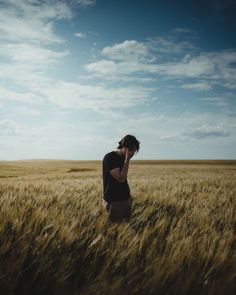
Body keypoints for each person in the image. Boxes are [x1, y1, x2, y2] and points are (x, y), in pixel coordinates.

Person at [102, 134, 140, 223]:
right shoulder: (110, 157)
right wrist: (127, 160)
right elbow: (121, 178)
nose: (132, 153)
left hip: (126, 199)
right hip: (114, 201)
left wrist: (129, 200)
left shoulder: (124, 158)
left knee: (128, 227)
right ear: (124, 146)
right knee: (114, 230)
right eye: (131, 150)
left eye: (134, 151)